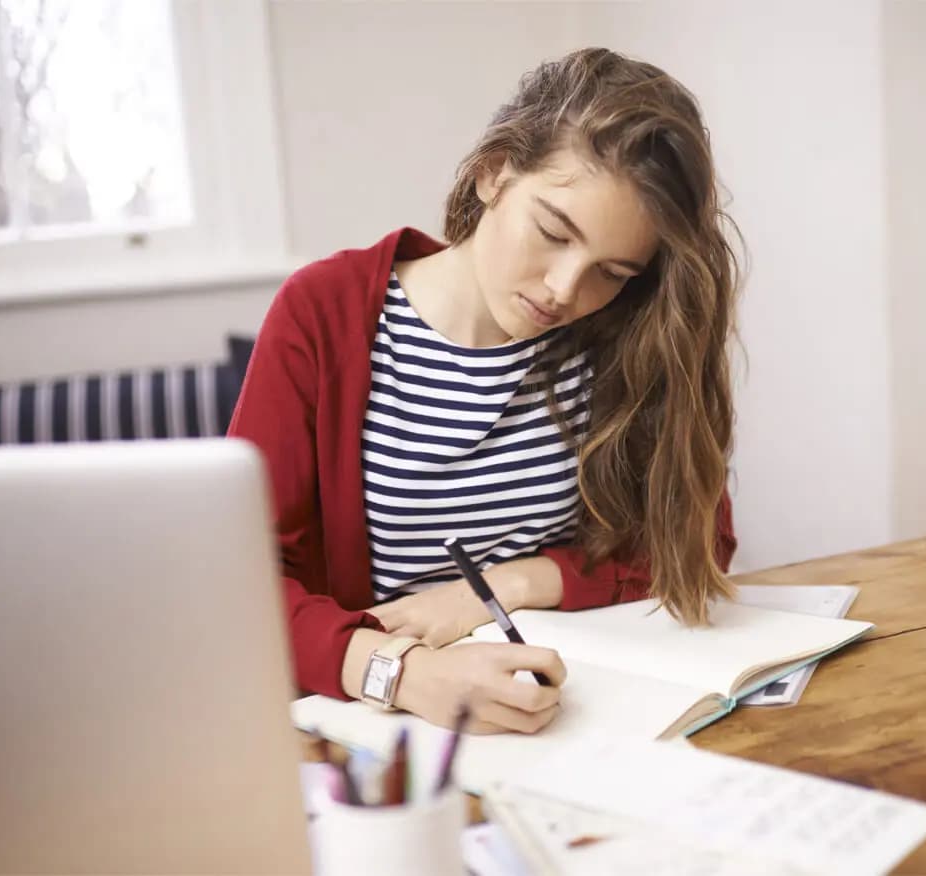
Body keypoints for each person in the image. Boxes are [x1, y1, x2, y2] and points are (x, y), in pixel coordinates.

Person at [229, 47, 740, 736]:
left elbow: (697, 539)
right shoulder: (324, 313)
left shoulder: (617, 334)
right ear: (492, 172)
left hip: (581, 713)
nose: (566, 291)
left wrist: (509, 584)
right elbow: (237, 581)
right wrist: (399, 671)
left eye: (612, 271)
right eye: (554, 232)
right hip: (383, 726)